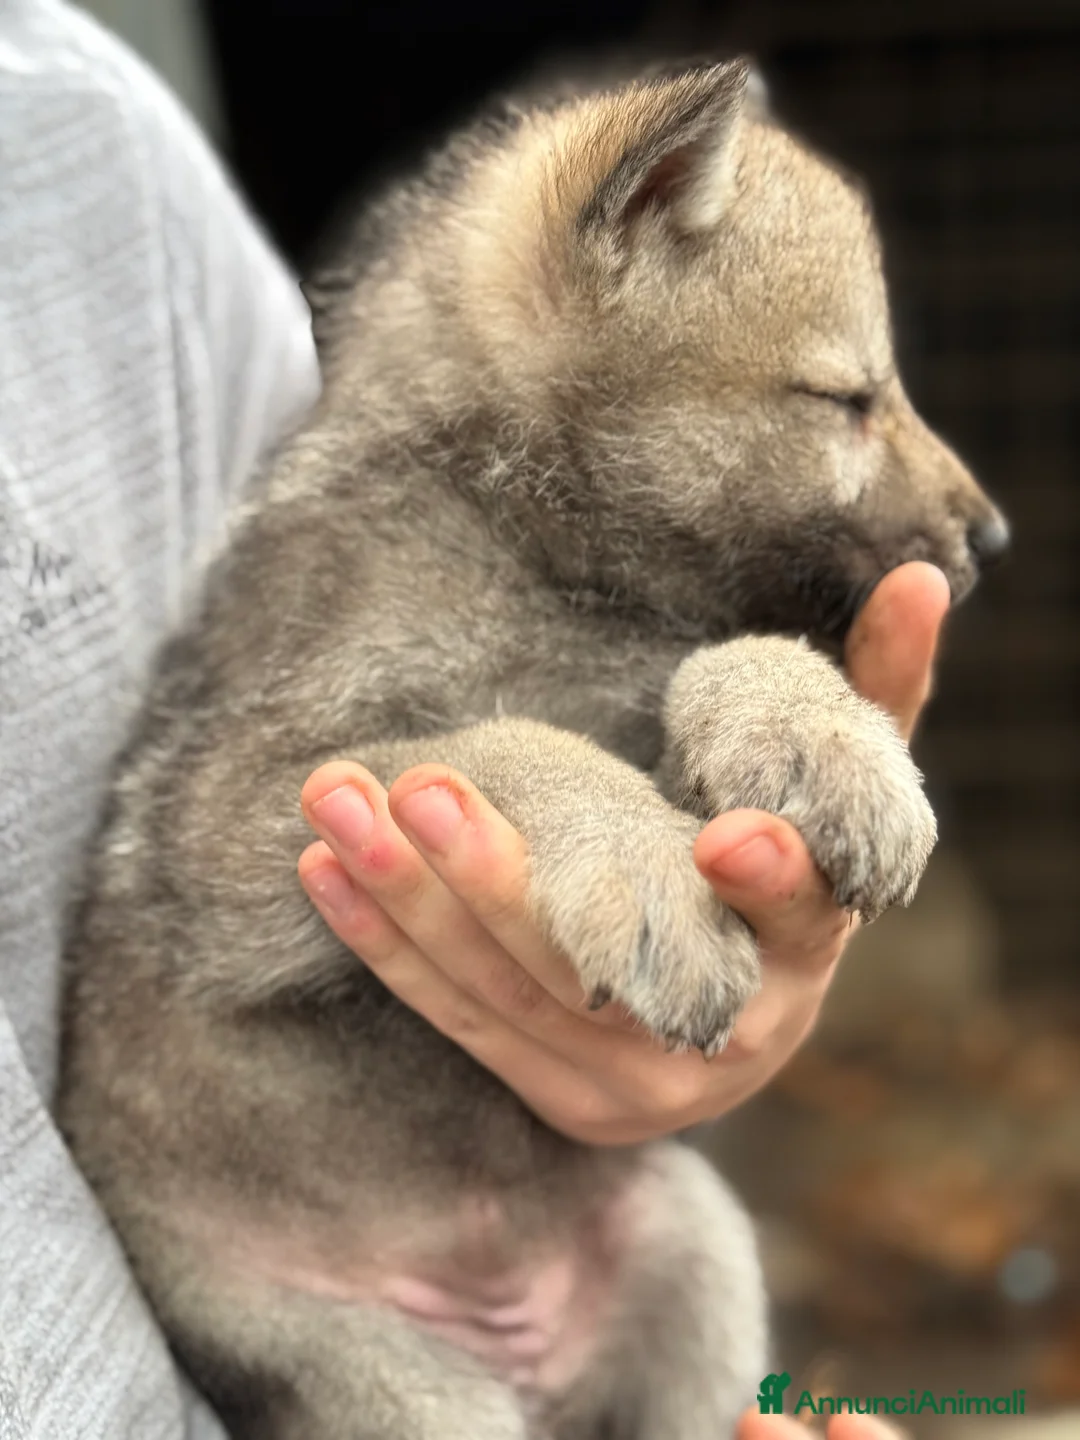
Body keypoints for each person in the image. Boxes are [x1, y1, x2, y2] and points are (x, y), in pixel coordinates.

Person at [0, 2, 943, 1435]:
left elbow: (675, 837)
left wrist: (767, 751)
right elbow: (216, 867)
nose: (948, 498)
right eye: (844, 400)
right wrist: (533, 790)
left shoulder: (102, 155)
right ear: (624, 241)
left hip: (579, 1231)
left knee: (696, 1252)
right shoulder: (367, 540)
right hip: (292, 1272)